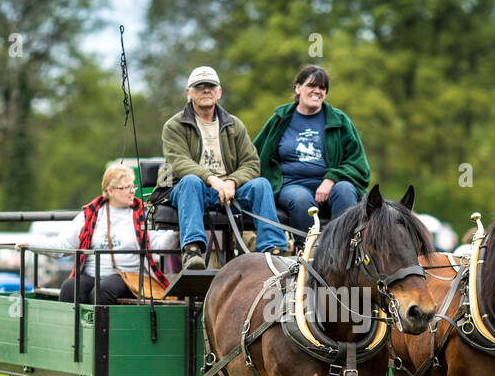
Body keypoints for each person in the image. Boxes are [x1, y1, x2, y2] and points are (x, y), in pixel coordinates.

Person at [157, 65, 285, 271]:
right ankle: (192, 252)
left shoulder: (235, 125)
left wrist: (231, 182)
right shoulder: (174, 126)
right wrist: (213, 179)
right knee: (191, 181)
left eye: (211, 86)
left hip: (229, 192)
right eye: (199, 87)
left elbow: (251, 163)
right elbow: (179, 163)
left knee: (260, 184)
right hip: (190, 190)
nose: (206, 90)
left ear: (219, 92)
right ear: (188, 93)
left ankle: (273, 251)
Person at [19, 163, 178, 304]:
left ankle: (100, 337)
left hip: (132, 277)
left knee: (102, 291)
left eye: (133, 186)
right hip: (92, 275)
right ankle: (72, 335)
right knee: (69, 288)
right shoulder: (90, 214)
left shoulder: (142, 214)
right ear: (110, 191)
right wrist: (32, 245)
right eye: (126, 187)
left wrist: (179, 232)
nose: (132, 191)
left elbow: (160, 243)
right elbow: (63, 244)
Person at [254, 66, 370, 243]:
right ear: (298, 88)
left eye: (322, 88)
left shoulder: (339, 121)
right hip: (291, 186)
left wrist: (331, 178)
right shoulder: (280, 119)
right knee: (301, 200)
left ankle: (343, 249)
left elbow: (358, 165)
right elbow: (255, 154)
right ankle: (309, 253)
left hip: (332, 187)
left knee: (346, 190)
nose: (317, 91)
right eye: (311, 86)